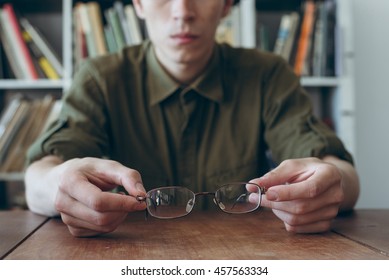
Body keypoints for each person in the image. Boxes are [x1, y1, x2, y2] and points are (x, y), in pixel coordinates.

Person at [24, 0, 359, 237]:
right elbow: (38, 177)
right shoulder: (99, 78)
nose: (182, 12)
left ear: (227, 5)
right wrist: (57, 185)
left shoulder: (267, 75)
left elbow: (340, 173)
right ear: (138, 4)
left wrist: (333, 184)